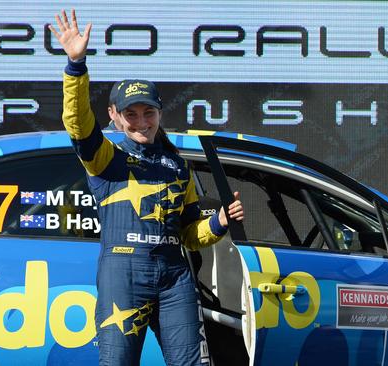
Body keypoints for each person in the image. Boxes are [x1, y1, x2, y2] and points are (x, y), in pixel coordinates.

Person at [49, 9, 244, 366]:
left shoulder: (177, 165)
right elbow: (77, 123)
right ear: (114, 115)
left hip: (174, 277)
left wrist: (218, 223)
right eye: (131, 114)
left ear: (159, 113)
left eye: (148, 112)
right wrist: (76, 65)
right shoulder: (106, 157)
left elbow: (188, 235)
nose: (141, 121)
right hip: (124, 275)